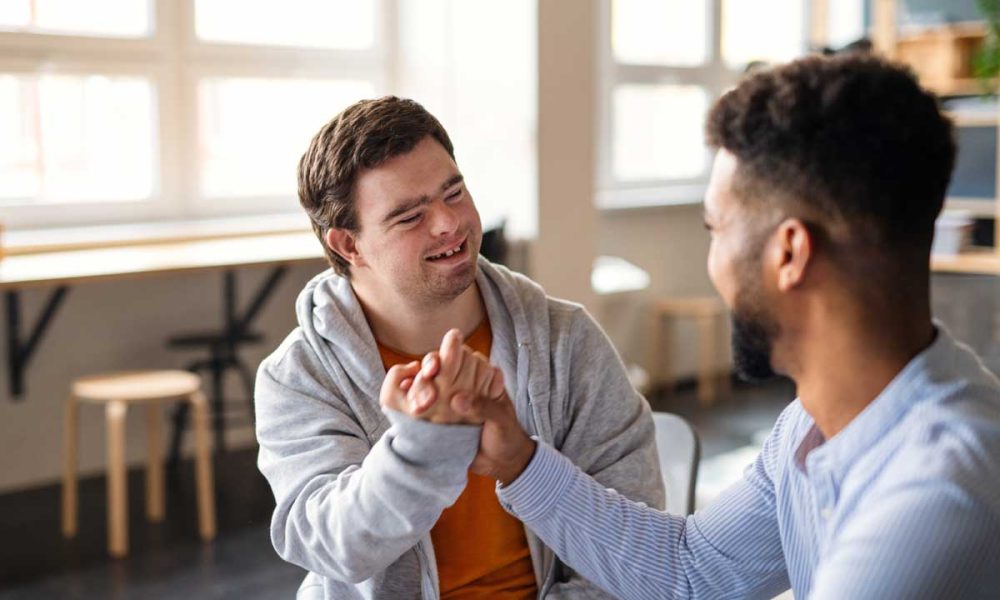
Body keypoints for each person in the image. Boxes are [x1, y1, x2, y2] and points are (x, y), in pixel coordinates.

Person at [400, 54, 1000, 599]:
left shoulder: (941, 489)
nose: (713, 260)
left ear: (789, 253)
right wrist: (520, 460)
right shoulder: (812, 424)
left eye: (716, 228)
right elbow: (693, 572)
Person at [254, 95, 663, 599]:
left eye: (454, 192)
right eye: (410, 217)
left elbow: (634, 544)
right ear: (349, 245)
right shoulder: (299, 375)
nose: (448, 223)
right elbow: (333, 546)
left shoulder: (567, 339)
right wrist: (421, 449)